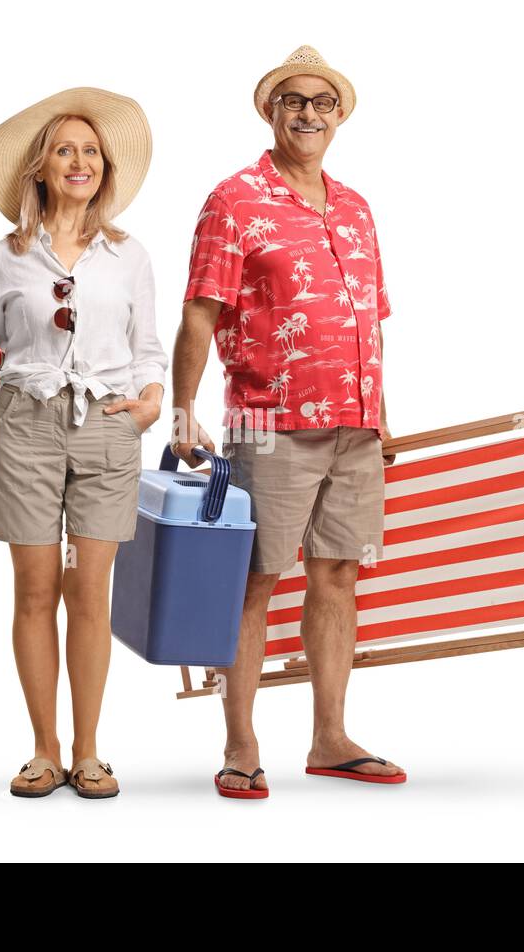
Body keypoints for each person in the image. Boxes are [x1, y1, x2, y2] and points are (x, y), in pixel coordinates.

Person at [172, 47, 406, 798]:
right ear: (270, 112)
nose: (309, 113)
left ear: (338, 116)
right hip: (269, 425)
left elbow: (371, 320)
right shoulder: (234, 201)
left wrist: (383, 414)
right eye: (293, 101)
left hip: (355, 427)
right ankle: (240, 744)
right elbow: (199, 316)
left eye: (322, 102)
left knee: (338, 575)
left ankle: (330, 738)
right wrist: (184, 410)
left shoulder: (359, 208)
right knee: (253, 581)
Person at [0, 88, 167, 799]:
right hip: (26, 424)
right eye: (65, 149)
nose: (80, 161)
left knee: (88, 591)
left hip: (106, 425)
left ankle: (91, 752)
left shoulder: (129, 255)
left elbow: (147, 347)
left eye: (91, 151)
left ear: (105, 169)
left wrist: (151, 402)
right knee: (35, 591)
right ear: (40, 167)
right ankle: (44, 750)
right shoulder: (5, 258)